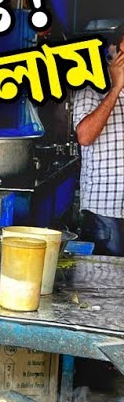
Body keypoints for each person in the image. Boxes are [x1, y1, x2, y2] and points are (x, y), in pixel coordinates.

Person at [74, 25, 124, 256]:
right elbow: (85, 136)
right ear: (112, 53)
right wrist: (116, 88)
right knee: (103, 284)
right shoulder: (92, 88)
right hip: (105, 211)